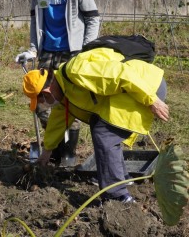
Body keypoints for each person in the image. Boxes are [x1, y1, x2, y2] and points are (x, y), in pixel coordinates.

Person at [22, 47, 169, 203]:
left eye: (41, 101)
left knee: (104, 132)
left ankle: (117, 196)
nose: (44, 105)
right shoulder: (64, 94)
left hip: (145, 86)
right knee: (100, 124)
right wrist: (46, 153)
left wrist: (151, 100)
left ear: (46, 92)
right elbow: (56, 123)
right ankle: (120, 178)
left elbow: (122, 74)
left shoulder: (76, 71)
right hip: (133, 90)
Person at [15, 0, 100, 166]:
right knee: (41, 104)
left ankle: (68, 154)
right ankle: (54, 148)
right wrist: (33, 49)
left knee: (69, 105)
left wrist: (86, 51)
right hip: (47, 53)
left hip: (72, 54)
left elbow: (92, 19)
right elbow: (36, 20)